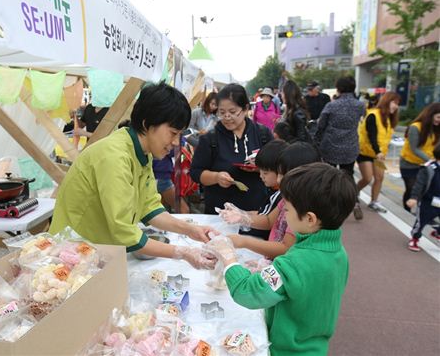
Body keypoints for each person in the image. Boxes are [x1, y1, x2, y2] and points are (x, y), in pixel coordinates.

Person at [49, 82, 217, 270]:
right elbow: (124, 232)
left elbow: (150, 207)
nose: (176, 142)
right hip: (69, 252)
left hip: (93, 252)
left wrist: (191, 230)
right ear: (147, 124)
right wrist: (183, 253)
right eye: (173, 133)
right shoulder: (114, 156)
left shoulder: (142, 154)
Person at [206, 163, 357, 356]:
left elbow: (248, 292)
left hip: (286, 350)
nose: (284, 215)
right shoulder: (338, 253)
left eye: (287, 211)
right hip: (316, 347)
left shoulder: (294, 262)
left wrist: (228, 258)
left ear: (310, 219)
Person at [190, 83, 272, 238]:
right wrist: (216, 177)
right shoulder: (210, 139)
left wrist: (261, 168)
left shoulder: (262, 134)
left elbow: (277, 167)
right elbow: (196, 172)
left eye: (233, 112)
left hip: (257, 216)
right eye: (222, 112)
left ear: (246, 108)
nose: (227, 118)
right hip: (221, 216)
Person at [217, 142, 322, 256]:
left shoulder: (301, 210)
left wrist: (244, 242)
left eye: (282, 175)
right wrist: (242, 217)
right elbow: (268, 221)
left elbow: (285, 249)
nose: (278, 180)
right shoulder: (287, 199)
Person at [356, 92, 401, 214]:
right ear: (387, 101)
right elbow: (372, 136)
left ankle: (374, 202)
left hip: (379, 155)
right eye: (394, 103)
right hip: (365, 153)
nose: (396, 106)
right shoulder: (373, 115)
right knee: (367, 178)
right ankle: (355, 192)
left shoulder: (389, 119)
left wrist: (380, 153)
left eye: (397, 104)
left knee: (380, 178)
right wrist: (378, 151)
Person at [314, 76, 365, 180]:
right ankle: (347, 194)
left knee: (328, 176)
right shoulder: (360, 105)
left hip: (330, 145)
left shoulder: (331, 105)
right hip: (350, 147)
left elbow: (321, 125)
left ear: (338, 88)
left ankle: (329, 195)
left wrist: (317, 141)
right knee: (347, 175)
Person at [400, 102, 440, 211]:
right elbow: (415, 149)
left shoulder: (437, 129)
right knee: (411, 188)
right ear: (430, 114)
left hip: (426, 164)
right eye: (438, 117)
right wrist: (431, 161)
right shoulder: (415, 127)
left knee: (425, 189)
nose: (439, 120)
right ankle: (407, 211)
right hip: (409, 163)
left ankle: (423, 212)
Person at [406, 143, 440, 251]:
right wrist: (414, 197)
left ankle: (437, 233)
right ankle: (414, 238)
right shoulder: (429, 168)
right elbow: (419, 184)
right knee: (421, 222)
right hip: (428, 201)